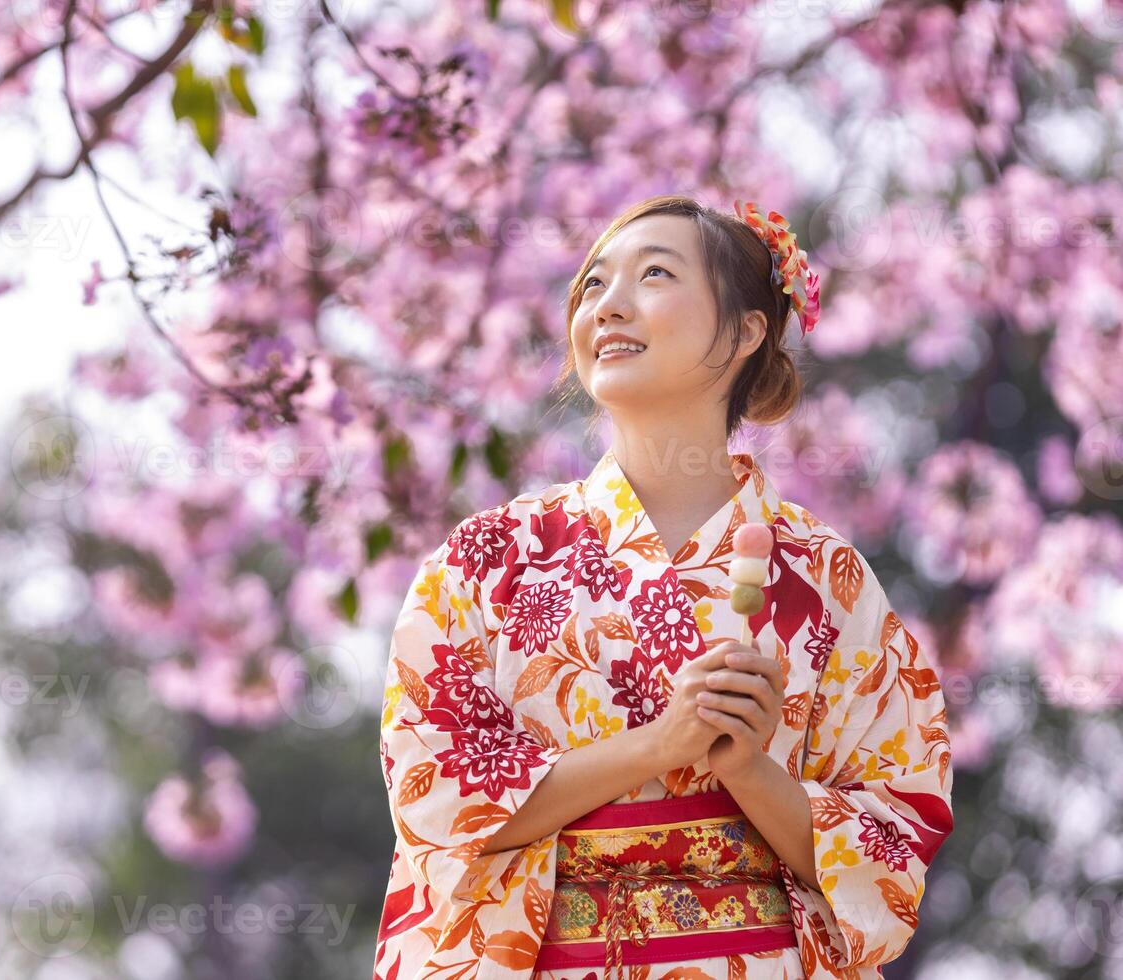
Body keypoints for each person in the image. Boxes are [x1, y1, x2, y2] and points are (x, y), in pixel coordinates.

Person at [373, 195, 954, 980]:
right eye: (591, 287)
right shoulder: (486, 559)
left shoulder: (828, 578)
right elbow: (432, 792)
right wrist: (659, 745)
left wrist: (751, 770)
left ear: (747, 330)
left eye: (653, 274)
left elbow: (894, 837)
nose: (608, 306)